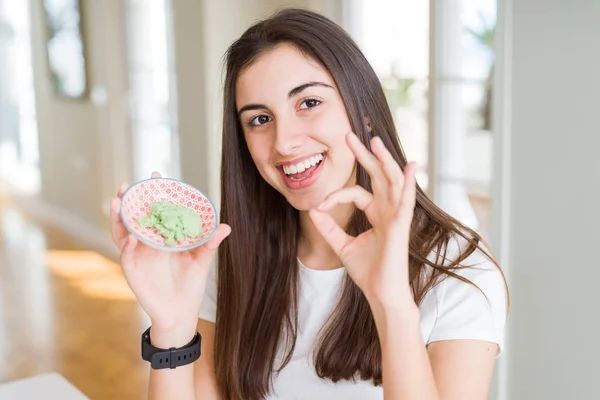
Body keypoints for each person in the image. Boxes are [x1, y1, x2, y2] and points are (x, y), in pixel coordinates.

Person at [110, 8, 508, 400]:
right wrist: (172, 331)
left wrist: (391, 301)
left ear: (364, 111)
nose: (284, 142)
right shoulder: (230, 256)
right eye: (260, 119)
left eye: (309, 103)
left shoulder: (461, 273)